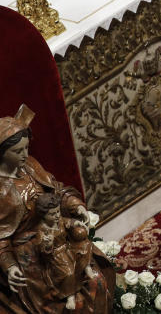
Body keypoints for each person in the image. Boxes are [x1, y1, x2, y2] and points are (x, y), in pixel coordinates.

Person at [0, 105, 112, 314]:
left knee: (96, 280)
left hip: (57, 229)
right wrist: (10, 266)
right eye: (17, 152)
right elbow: (0, 237)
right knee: (62, 305)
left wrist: (75, 205)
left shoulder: (30, 167)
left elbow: (57, 191)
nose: (24, 155)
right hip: (30, 254)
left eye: (26, 148)